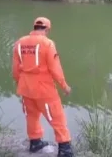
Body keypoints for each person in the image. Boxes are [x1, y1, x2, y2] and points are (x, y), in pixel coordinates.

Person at [12, 17, 73, 157]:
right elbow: (55, 68)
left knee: (31, 116)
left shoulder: (19, 43)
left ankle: (35, 143)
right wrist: (65, 86)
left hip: (25, 88)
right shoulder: (48, 43)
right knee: (57, 117)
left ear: (34, 27)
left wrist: (19, 83)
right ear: (47, 29)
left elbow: (15, 70)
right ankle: (64, 149)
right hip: (44, 89)